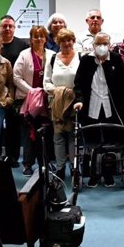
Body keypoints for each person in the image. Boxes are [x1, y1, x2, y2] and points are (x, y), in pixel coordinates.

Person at [73, 32, 124, 188]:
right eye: (99, 44)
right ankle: (93, 174)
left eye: (105, 44)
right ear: (93, 45)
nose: (102, 47)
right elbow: (78, 84)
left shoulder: (116, 60)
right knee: (93, 142)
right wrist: (79, 101)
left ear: (109, 44)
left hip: (110, 108)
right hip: (91, 106)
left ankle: (108, 174)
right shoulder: (86, 60)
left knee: (109, 142)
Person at [13, 26, 56, 176]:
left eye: (41, 36)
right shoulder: (24, 55)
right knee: (29, 133)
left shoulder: (52, 55)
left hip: (47, 100)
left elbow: (55, 76)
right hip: (28, 100)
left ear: (46, 38)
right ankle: (27, 164)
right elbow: (16, 77)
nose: (38, 39)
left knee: (46, 133)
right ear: (31, 39)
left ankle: (45, 163)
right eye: (35, 36)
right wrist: (31, 91)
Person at [43, 28, 80, 181]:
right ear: (58, 42)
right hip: (57, 104)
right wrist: (61, 92)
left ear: (73, 41)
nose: (67, 43)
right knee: (58, 137)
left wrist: (73, 94)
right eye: (63, 40)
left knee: (73, 136)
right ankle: (60, 168)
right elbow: (46, 82)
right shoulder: (52, 59)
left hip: (75, 103)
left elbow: (83, 80)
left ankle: (73, 167)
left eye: (69, 40)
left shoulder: (80, 57)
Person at [0, 15, 28, 166]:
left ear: (14, 28)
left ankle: (13, 157)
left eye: (10, 26)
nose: (7, 29)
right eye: (5, 26)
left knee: (13, 126)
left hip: (14, 92)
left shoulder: (22, 45)